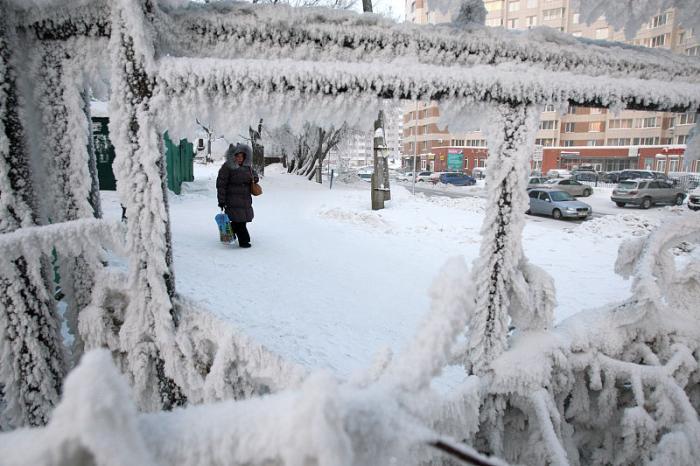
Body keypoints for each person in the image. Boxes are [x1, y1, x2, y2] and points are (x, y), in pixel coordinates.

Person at [216, 143, 259, 248]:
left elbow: (254, 175)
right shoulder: (227, 167)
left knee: (241, 221)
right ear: (232, 156)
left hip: (245, 199)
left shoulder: (247, 167)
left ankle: (229, 233)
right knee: (239, 221)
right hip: (232, 199)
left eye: (242, 156)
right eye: (237, 156)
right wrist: (221, 200)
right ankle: (244, 241)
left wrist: (255, 178)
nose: (240, 158)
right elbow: (221, 185)